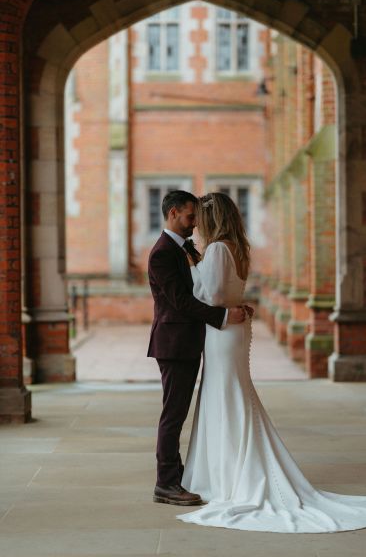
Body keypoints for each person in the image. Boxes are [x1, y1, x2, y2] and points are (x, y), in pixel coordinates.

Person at [176, 192, 366, 533]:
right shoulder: (237, 248)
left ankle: (228, 476)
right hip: (232, 330)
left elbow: (213, 296)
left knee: (226, 396)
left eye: (201, 221)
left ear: (212, 220)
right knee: (232, 395)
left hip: (222, 331)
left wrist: (193, 272)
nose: (197, 227)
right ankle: (230, 468)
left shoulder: (217, 249)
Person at [147, 190, 250, 507]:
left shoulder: (186, 248)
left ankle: (180, 476)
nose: (195, 224)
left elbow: (210, 286)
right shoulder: (163, 253)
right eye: (191, 217)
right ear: (174, 213)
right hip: (174, 344)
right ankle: (166, 484)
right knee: (173, 416)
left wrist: (232, 305)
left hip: (192, 341)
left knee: (178, 413)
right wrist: (223, 315)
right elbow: (181, 302)